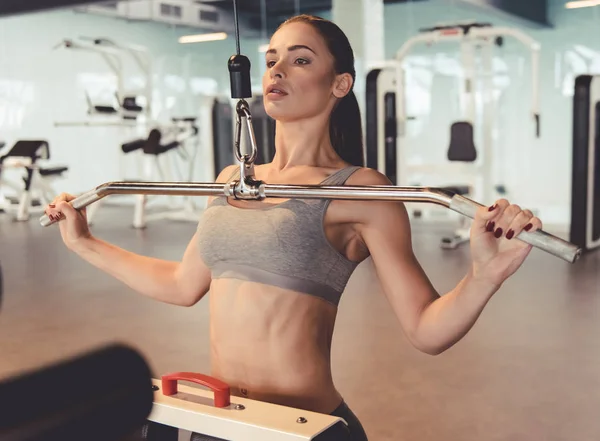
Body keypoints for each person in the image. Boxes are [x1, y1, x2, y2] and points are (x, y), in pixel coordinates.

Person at [44, 14, 542, 441]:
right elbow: (182, 284)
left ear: (339, 84)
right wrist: (84, 242)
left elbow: (425, 330)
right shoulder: (232, 180)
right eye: (271, 59)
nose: (276, 71)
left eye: (300, 59)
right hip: (225, 423)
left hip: (303, 428)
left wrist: (484, 276)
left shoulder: (361, 190)